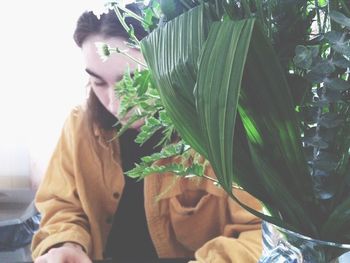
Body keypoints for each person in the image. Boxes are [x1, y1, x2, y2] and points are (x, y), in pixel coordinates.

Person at [31, 4, 262, 263]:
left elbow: (260, 233)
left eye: (131, 80)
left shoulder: (221, 133)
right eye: (98, 82)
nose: (115, 104)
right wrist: (66, 243)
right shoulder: (80, 124)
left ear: (170, 62)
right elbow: (60, 204)